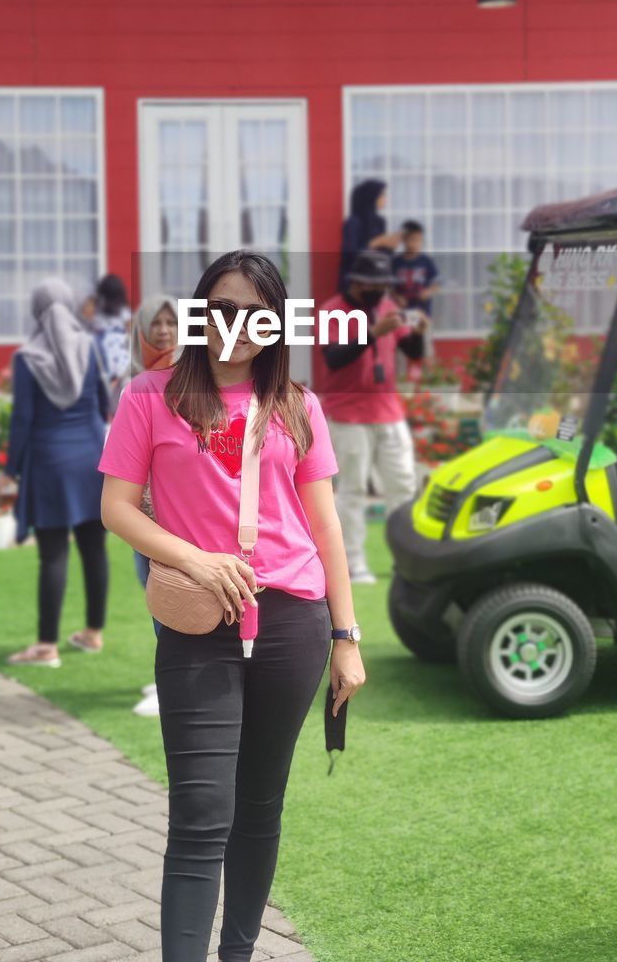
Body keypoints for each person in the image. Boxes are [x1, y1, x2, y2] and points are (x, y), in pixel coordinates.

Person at [100, 250, 365, 962]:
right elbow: (117, 508)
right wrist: (195, 558)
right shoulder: (149, 397)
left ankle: (239, 954)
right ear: (196, 312)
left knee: (258, 809)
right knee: (200, 811)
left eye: (256, 312)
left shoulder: (298, 406)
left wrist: (347, 635)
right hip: (197, 621)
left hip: (293, 622)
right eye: (222, 308)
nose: (237, 325)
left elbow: (325, 524)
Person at [5, 279, 110, 667]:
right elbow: (103, 403)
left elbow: (23, 420)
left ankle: (46, 646)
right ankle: (93, 634)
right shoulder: (90, 346)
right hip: (90, 459)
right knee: (94, 549)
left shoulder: (28, 358)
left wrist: (11, 467)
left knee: (53, 556)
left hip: (49, 463)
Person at [316, 250, 426, 584]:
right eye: (373, 284)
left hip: (389, 413)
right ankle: (353, 564)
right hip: (348, 414)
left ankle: (406, 561)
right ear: (357, 282)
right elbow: (334, 358)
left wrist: (419, 332)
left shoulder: (388, 307)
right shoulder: (332, 311)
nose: (379, 290)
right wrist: (373, 332)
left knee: (403, 487)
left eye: (383, 284)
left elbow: (413, 353)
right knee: (352, 490)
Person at [128, 293, 180, 718]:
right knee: (152, 592)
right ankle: (168, 676)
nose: (163, 331)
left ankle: (174, 688)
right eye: (156, 323)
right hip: (137, 511)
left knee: (171, 597)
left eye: (171, 322)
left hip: (170, 512)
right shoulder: (132, 377)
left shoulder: (185, 379)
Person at [337, 179, 402, 290]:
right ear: (371, 197)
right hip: (354, 283)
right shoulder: (353, 222)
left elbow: (381, 256)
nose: (385, 200)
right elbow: (349, 256)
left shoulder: (380, 222)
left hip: (375, 281)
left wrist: (390, 247)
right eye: (382, 196)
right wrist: (376, 242)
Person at [83, 273, 132, 413]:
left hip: (101, 362)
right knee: (121, 403)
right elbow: (131, 337)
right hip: (122, 363)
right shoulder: (125, 313)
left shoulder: (95, 315)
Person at [391, 220, 439, 318]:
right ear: (404, 239)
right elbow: (389, 286)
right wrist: (396, 297)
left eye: (419, 240)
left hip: (421, 309)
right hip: (401, 309)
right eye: (412, 239)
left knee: (418, 332)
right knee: (404, 332)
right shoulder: (396, 262)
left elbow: (437, 281)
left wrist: (429, 292)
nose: (416, 243)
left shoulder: (426, 261)